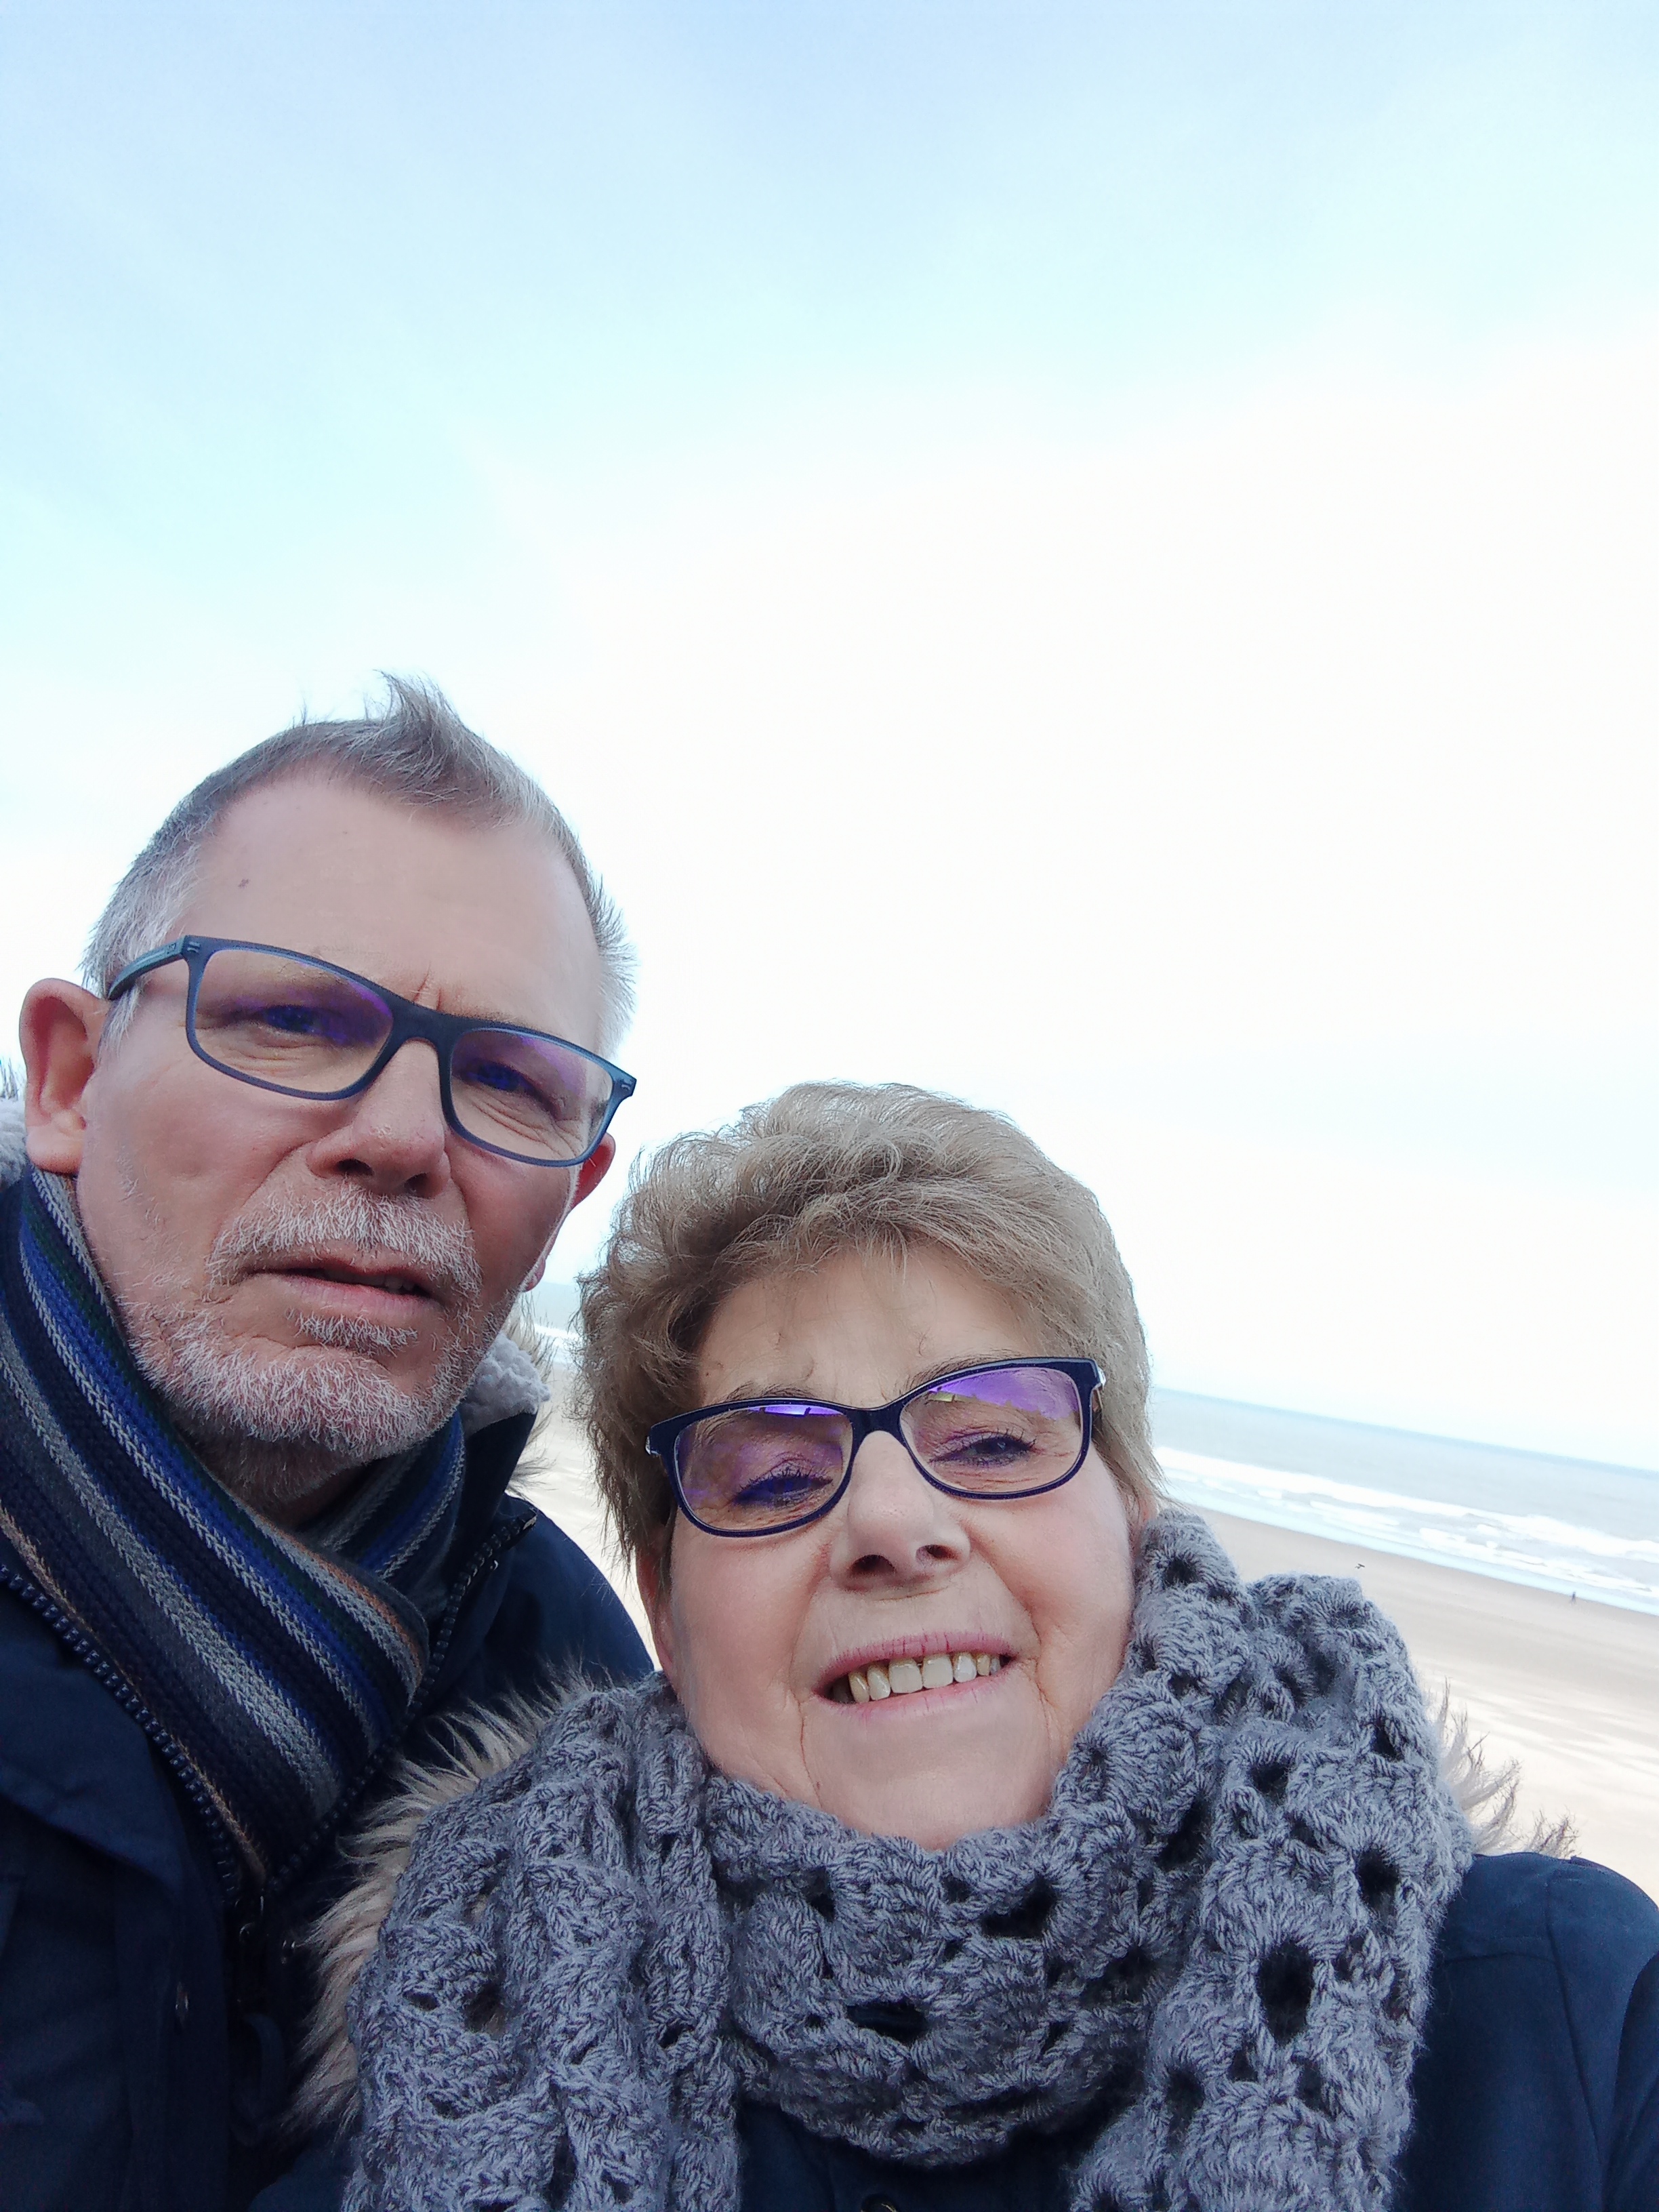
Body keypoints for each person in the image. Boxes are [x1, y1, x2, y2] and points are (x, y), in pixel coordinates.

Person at [315, 1082, 1657, 2212]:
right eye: (772, 1476)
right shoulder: (447, 2045)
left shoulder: (1574, 2019)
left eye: (996, 1441)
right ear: (665, 1609)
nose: (893, 1525)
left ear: (1133, 1519)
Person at [0, 680, 653, 2212]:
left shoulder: (574, 1700)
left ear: (573, 1192)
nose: (406, 1138)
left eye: (509, 1080)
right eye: (294, 1021)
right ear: (71, 1081)